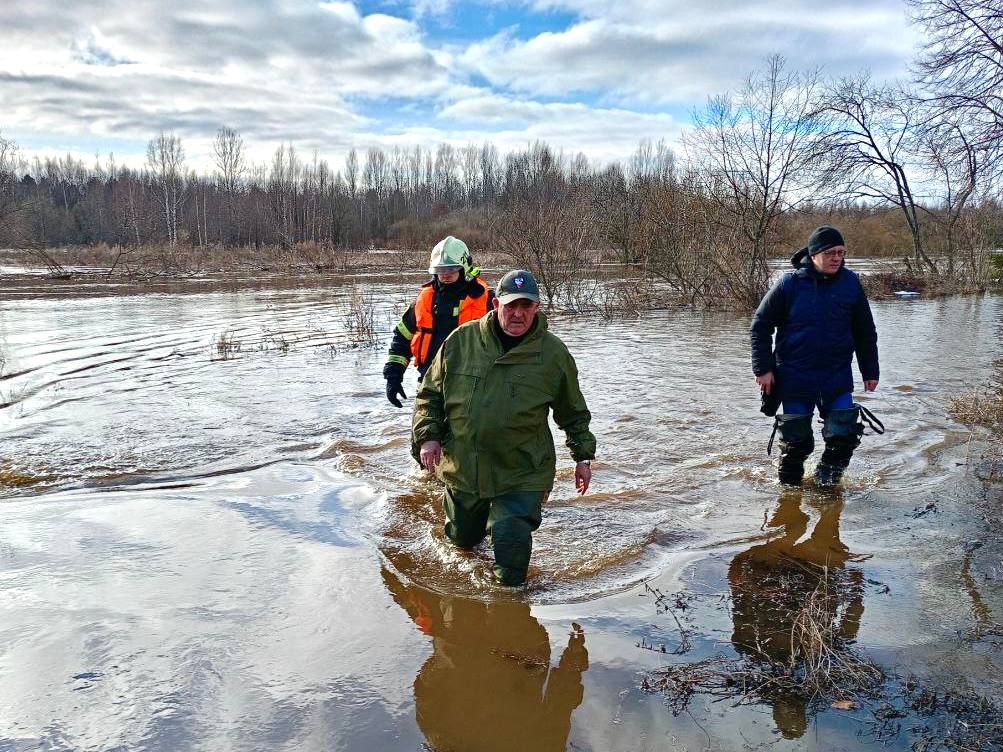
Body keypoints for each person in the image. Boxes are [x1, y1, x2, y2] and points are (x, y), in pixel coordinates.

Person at [411, 269, 596, 586]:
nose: (518, 314)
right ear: (496, 304)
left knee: (511, 554)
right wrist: (428, 437)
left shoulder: (553, 355)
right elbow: (429, 395)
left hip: (521, 469)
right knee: (462, 542)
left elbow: (573, 411)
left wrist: (582, 456)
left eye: (526, 306)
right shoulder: (461, 342)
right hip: (466, 466)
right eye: (511, 306)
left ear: (537, 308)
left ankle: (513, 610)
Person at [750, 225, 879, 486]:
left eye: (841, 252)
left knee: (844, 437)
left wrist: (870, 371)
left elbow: (865, 330)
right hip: (795, 378)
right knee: (796, 445)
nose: (836, 258)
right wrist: (763, 369)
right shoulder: (789, 284)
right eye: (830, 252)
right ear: (813, 254)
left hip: (836, 376)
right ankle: (789, 495)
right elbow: (760, 325)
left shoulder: (851, 283)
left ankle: (826, 484)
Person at [383, 236, 493, 408]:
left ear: (464, 267)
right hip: (429, 386)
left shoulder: (487, 300)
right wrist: (393, 377)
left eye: (451, 269)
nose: (445, 274)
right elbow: (402, 338)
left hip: (474, 390)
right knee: (424, 433)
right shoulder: (424, 300)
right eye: (440, 270)